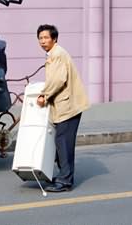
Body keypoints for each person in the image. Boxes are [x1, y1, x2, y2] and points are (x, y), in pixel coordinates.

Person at [35, 24, 89, 192]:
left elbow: (58, 79)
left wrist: (44, 95)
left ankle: (65, 181)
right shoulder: (53, 54)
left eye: (46, 38)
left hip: (68, 106)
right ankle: (63, 175)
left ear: (54, 39)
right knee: (61, 142)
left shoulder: (57, 54)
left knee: (63, 143)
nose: (43, 41)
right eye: (40, 38)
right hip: (64, 106)